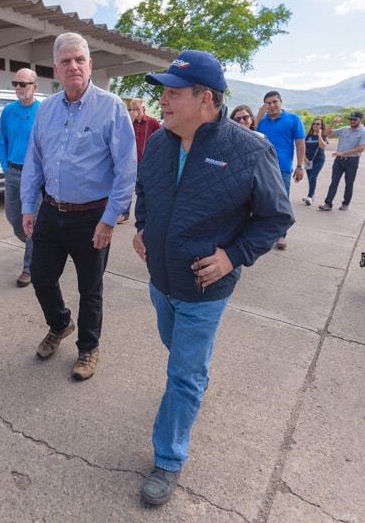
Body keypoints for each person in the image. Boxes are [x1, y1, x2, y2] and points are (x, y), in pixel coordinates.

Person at [133, 50, 294, 506]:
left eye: (172, 93)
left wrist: (233, 257)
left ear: (206, 99)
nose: (162, 101)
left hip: (206, 289)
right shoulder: (161, 143)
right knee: (178, 352)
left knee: (182, 373)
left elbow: (275, 218)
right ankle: (195, 379)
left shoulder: (249, 149)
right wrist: (143, 226)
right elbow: (145, 189)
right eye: (162, 92)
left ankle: (168, 459)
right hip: (161, 281)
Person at [21, 32, 136, 381]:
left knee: (91, 287)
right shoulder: (47, 110)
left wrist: (109, 219)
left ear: (90, 64)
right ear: (55, 68)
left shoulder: (112, 107)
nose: (73, 66)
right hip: (51, 212)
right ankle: (60, 324)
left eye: (79, 60)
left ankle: (88, 347)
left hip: (92, 218)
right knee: (40, 277)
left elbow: (126, 168)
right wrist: (29, 206)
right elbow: (34, 161)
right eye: (66, 61)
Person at [0, 68, 42, 287]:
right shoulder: (8, 111)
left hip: (35, 175)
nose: (18, 87)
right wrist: (6, 166)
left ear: (35, 87)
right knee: (14, 218)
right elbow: (2, 140)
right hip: (13, 172)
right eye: (16, 83)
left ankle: (29, 268)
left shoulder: (43, 111)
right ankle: (41, 245)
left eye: (23, 84)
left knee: (31, 221)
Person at [256, 91, 305, 249]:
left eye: (274, 102)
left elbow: (300, 144)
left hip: (283, 169)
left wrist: (300, 166)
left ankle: (281, 235)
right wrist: (258, 115)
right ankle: (262, 233)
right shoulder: (261, 121)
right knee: (260, 202)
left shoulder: (293, 119)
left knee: (281, 203)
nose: (271, 105)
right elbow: (249, 131)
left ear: (281, 102)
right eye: (268, 103)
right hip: (262, 168)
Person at [118, 97, 160, 224]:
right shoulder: (129, 122)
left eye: (138, 109)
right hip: (131, 161)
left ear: (143, 108)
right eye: (133, 109)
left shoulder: (152, 122)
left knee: (145, 189)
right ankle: (125, 214)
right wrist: (130, 120)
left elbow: (162, 137)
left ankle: (147, 215)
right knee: (127, 188)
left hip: (147, 161)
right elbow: (121, 135)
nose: (136, 111)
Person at [318, 111, 365, 211]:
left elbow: (361, 148)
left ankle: (345, 203)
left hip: (352, 161)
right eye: (351, 119)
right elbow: (327, 133)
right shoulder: (345, 129)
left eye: (354, 119)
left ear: (360, 120)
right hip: (339, 161)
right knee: (334, 182)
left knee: (349, 183)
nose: (352, 121)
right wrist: (333, 122)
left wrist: (343, 153)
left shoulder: (362, 132)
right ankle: (328, 204)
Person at [301, 118, 328, 205]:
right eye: (314, 124)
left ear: (321, 126)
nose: (315, 125)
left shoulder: (324, 136)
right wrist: (305, 159)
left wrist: (319, 135)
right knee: (310, 178)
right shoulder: (307, 136)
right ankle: (311, 194)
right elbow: (302, 148)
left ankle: (309, 196)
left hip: (318, 159)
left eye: (318, 124)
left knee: (313, 177)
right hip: (308, 159)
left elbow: (322, 146)